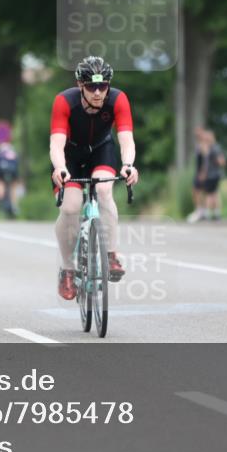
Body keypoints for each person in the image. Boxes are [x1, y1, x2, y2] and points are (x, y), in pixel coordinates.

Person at [50, 56, 139, 301]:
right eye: (91, 87)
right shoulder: (64, 101)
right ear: (80, 85)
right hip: (69, 155)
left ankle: (111, 254)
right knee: (71, 207)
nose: (98, 92)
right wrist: (60, 168)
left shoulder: (118, 99)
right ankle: (68, 270)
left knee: (104, 191)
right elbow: (56, 144)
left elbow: (126, 139)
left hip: (101, 150)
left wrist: (128, 165)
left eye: (103, 86)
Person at [189, 128, 226, 222]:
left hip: (211, 175)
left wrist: (204, 172)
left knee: (209, 194)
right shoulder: (211, 147)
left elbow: (220, 162)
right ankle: (215, 214)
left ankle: (208, 214)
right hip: (213, 174)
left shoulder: (214, 148)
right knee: (214, 194)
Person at [0, 141, 20, 219]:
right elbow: (17, 164)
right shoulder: (13, 153)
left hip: (1, 173)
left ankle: (0, 198)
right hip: (13, 172)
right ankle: (15, 205)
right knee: (13, 188)